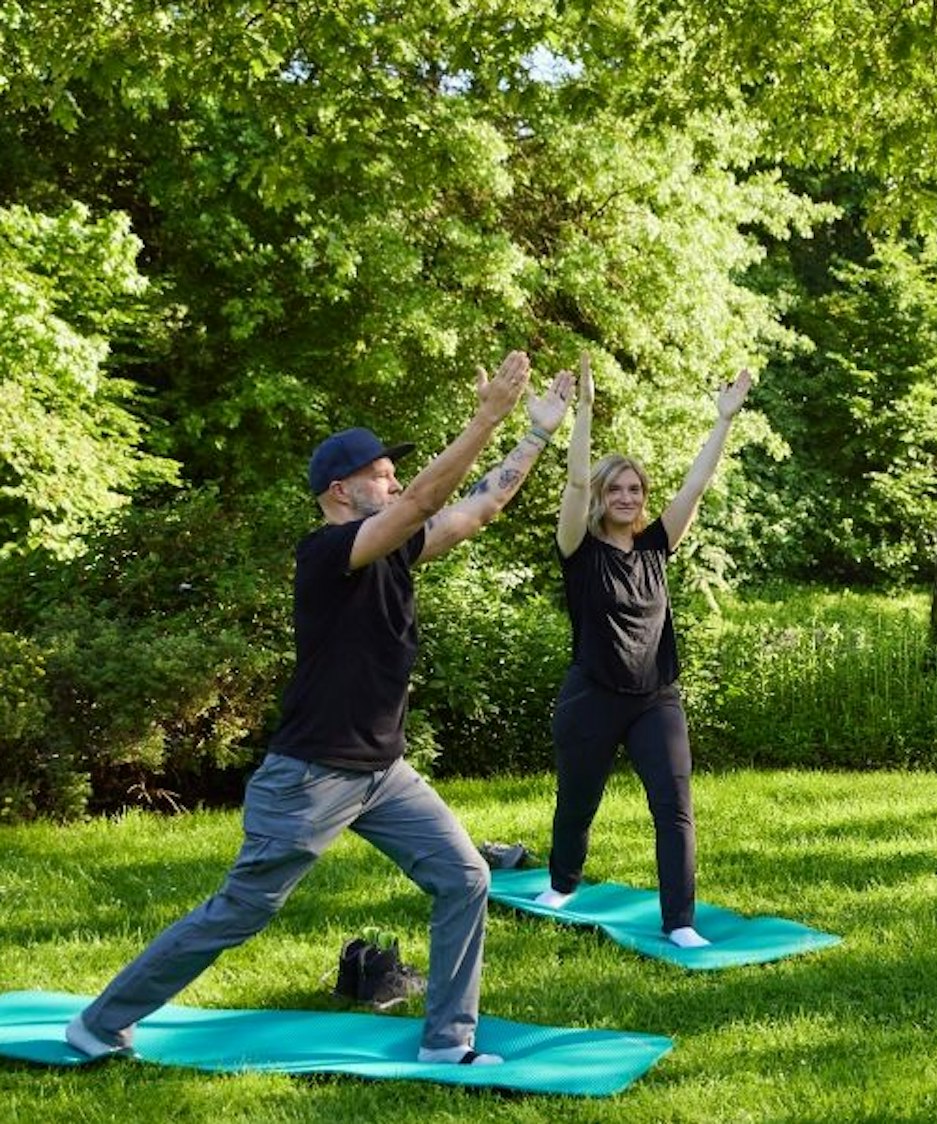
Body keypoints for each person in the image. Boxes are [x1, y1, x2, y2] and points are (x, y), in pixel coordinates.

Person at [65, 352, 575, 1067]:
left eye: (394, 471)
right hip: (311, 776)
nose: (394, 478)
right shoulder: (329, 551)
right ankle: (99, 1023)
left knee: (465, 878)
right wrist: (486, 414)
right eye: (381, 473)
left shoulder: (392, 550)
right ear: (341, 489)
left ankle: (446, 1041)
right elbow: (426, 499)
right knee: (241, 911)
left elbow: (476, 507)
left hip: (382, 772)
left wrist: (537, 434)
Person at [535, 355, 751, 950]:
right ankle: (562, 881)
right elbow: (575, 482)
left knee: (675, 809)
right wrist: (583, 411)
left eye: (636, 489)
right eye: (617, 489)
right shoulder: (578, 548)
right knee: (578, 803)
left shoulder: (657, 544)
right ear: (602, 497)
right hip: (592, 697)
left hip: (655, 698)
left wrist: (724, 420)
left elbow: (696, 485)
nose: (628, 497)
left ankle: (679, 921)